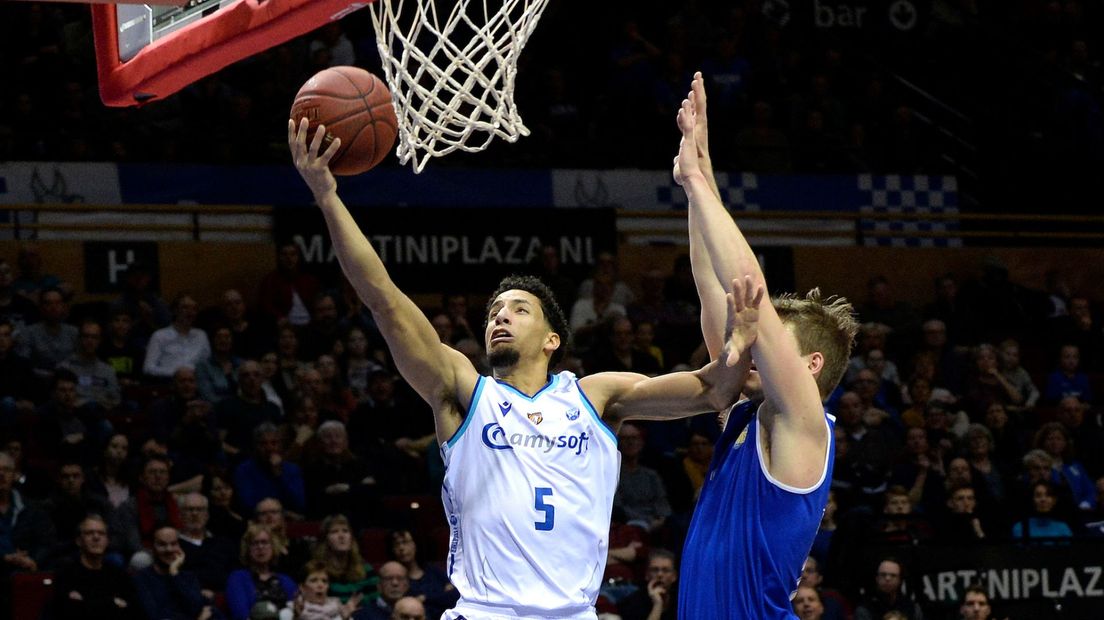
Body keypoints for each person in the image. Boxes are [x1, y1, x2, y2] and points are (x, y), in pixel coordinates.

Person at [289, 114, 750, 620]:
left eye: (518, 309)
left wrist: (698, 188)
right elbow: (384, 300)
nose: (500, 316)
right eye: (494, 311)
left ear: (553, 339)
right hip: (486, 611)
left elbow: (714, 389)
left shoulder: (596, 397)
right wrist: (328, 197)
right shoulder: (464, 391)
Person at [672, 73, 858, 619]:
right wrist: (696, 175)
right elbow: (717, 294)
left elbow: (751, 289)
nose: (751, 349)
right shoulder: (743, 414)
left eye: (769, 342)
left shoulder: (804, 421)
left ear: (810, 364)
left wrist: (700, 186)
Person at [50, 514, 141, 619]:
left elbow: (135, 611)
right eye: (89, 533)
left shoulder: (118, 574)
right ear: (79, 541)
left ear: (107, 541)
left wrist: (86, 603)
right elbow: (67, 612)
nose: (96, 537)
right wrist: (113, 603)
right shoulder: (66, 573)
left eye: (101, 533)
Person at [132, 526, 217, 620]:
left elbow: (198, 607)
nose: (169, 549)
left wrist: (174, 573)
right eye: (162, 544)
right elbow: (155, 616)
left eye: (174, 544)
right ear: (152, 547)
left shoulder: (188, 576)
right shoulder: (142, 579)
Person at [226, 523, 298, 620]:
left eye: (264, 542)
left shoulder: (286, 580)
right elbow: (241, 615)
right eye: (255, 543)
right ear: (247, 549)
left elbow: (296, 611)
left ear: (273, 546)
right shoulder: (237, 578)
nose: (260, 547)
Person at [313, 514, 379, 604]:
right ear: (326, 540)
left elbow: (375, 603)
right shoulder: (317, 570)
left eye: (345, 531)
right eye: (334, 532)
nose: (341, 536)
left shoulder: (366, 569)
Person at [144, 293, 211, 380]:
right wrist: (177, 373)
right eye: (185, 307)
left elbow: (207, 364)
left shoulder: (201, 335)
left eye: (194, 309)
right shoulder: (159, 336)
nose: (190, 312)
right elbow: (148, 368)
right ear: (175, 310)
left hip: (196, 383)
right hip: (169, 383)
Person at [615, 549, 678, 620]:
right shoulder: (633, 603)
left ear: (674, 576)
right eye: (655, 570)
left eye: (665, 570)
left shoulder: (681, 601)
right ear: (647, 575)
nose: (660, 574)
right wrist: (657, 605)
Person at [853, 558, 924, 620]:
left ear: (900, 580)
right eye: (883, 575)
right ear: (877, 579)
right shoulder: (865, 610)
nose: (887, 578)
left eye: (893, 575)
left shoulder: (912, 609)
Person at [292, 559, 363, 620]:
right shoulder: (291, 612)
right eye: (314, 580)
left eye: (324, 581)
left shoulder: (341, 610)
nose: (320, 585)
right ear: (302, 587)